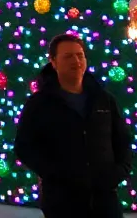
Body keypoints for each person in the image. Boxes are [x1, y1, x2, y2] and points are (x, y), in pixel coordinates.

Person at [15, 33, 131, 218]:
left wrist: (118, 172)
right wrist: (54, 174)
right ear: (53, 62)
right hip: (62, 202)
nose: (76, 61)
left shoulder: (104, 99)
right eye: (68, 56)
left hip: (105, 201)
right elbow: (24, 146)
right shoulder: (40, 103)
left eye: (80, 55)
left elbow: (122, 140)